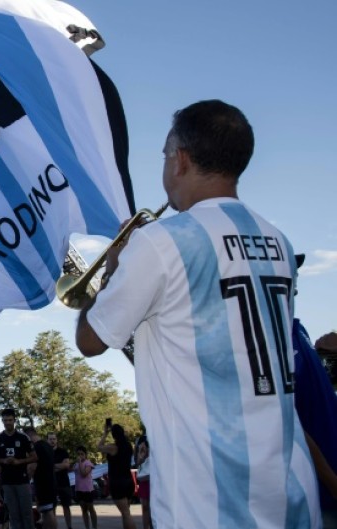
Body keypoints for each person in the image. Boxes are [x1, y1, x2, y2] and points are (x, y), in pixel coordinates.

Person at [75, 99, 320, 528]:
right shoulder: (278, 241)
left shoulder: (161, 241)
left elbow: (90, 340)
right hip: (289, 483)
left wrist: (111, 273)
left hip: (207, 492)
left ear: (181, 160)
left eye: (165, 156)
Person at [294, 322, 337, 528]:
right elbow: (292, 424)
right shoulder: (274, 341)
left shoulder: (298, 330)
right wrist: (332, 483)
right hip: (323, 497)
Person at [0, 408, 36, 529]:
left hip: (22, 480)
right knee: (13, 514)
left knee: (26, 513)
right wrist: (3, 461)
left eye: (10, 420)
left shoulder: (23, 437)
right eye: (5, 420)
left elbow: (34, 457)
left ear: (14, 420)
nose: (8, 423)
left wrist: (19, 461)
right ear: (2, 421)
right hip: (7, 482)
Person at [97, 423, 135, 529]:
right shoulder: (128, 446)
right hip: (128, 481)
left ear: (113, 435)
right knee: (126, 512)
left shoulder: (113, 448)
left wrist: (105, 433)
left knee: (126, 513)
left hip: (117, 482)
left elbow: (99, 447)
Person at [24, 427, 57, 529]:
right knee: (48, 511)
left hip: (43, 484)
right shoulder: (48, 446)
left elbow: (32, 467)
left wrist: (25, 480)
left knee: (48, 512)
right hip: (51, 481)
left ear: (29, 435)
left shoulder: (36, 447)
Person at [47, 433, 73, 529]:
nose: (52, 441)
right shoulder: (45, 452)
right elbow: (44, 467)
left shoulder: (63, 452)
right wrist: (59, 466)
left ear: (57, 440)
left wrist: (52, 466)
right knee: (52, 508)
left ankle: (69, 527)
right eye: (50, 439)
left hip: (64, 483)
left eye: (54, 439)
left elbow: (66, 465)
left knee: (66, 506)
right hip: (51, 483)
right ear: (47, 440)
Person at [72, 447, 97, 529]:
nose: (80, 456)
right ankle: (87, 527)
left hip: (88, 490)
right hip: (78, 489)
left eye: (82, 454)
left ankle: (94, 527)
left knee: (91, 508)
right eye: (78, 454)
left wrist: (79, 463)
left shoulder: (88, 463)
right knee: (84, 510)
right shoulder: (76, 464)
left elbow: (84, 474)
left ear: (85, 455)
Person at [134, 437, 152, 529]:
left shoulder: (154, 441)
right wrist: (141, 452)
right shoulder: (141, 441)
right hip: (144, 479)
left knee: (153, 507)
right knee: (145, 506)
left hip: (153, 478)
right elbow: (137, 462)